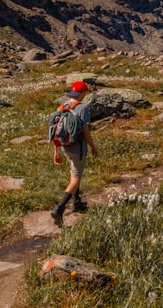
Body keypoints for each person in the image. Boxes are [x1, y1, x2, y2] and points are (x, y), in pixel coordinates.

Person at [50, 80, 98, 225]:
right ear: (82, 93)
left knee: (74, 172)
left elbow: (56, 131)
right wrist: (93, 146)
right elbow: (86, 132)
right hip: (78, 148)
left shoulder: (62, 106)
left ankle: (76, 202)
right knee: (75, 178)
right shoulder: (82, 108)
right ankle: (59, 208)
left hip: (65, 147)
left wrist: (56, 151)